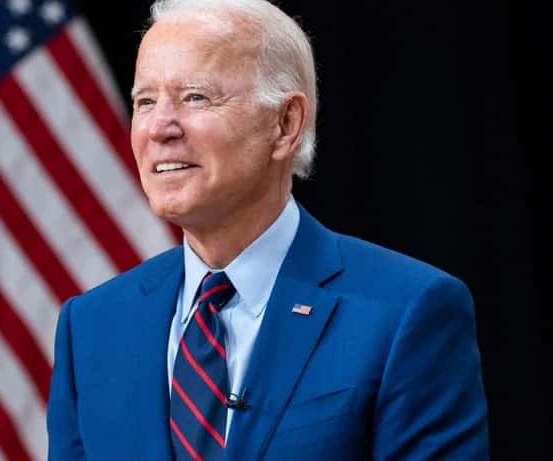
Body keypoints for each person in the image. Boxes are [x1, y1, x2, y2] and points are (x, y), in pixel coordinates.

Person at [47, 0, 490, 459]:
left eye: (196, 97)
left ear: (285, 124)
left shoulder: (407, 312)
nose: (159, 127)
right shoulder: (92, 326)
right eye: (145, 101)